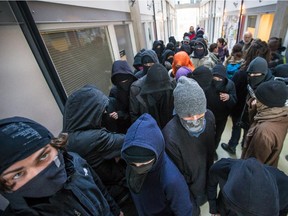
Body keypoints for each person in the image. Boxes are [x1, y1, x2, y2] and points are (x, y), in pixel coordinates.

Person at [0, 117, 122, 216]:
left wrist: (115, 211)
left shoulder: (75, 162)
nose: (38, 174)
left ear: (56, 146)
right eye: (17, 174)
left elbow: (99, 188)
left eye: (43, 157)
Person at [62, 85, 131, 211]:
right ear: (89, 112)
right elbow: (128, 140)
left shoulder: (66, 137)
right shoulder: (96, 138)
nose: (105, 112)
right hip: (117, 192)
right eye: (102, 110)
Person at [121, 113, 195, 216]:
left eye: (144, 164)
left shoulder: (172, 181)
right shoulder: (132, 157)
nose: (138, 168)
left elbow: (184, 211)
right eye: (133, 164)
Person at [162, 76, 215, 213]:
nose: (196, 120)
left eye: (200, 114)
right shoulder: (170, 135)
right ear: (179, 111)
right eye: (189, 116)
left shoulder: (209, 117)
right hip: (190, 188)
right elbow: (177, 175)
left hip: (207, 176)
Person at [221, 39, 271, 155]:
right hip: (256, 109)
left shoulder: (242, 72)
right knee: (249, 130)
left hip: (240, 107)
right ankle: (245, 148)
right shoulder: (267, 73)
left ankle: (232, 146)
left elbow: (232, 87)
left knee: (236, 127)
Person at [208, 157, 288, 216]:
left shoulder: (284, 187)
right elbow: (211, 186)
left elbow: (283, 211)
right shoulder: (220, 168)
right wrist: (213, 209)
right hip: (224, 207)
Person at [241, 80, 288, 167]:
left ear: (266, 104)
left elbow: (253, 163)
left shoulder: (264, 132)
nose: (255, 100)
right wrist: (254, 108)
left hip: (254, 172)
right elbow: (256, 122)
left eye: (258, 99)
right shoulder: (280, 115)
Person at [206, 64, 237, 160]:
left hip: (222, 117)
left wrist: (229, 97)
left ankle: (213, 151)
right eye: (215, 77)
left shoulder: (230, 85)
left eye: (220, 79)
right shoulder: (207, 82)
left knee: (218, 135)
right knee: (206, 134)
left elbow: (234, 101)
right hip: (207, 114)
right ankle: (205, 150)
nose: (217, 80)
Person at [129, 63, 175, 128]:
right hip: (148, 130)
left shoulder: (172, 84)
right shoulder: (136, 89)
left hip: (168, 128)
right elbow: (134, 114)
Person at [109, 60, 137, 133]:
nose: (124, 84)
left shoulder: (136, 87)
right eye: (120, 81)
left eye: (126, 80)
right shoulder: (114, 92)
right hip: (123, 128)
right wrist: (118, 114)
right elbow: (113, 111)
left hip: (138, 124)